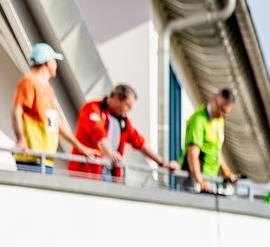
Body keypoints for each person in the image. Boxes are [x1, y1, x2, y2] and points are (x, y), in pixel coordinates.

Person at [11, 43, 95, 172]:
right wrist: (21, 139)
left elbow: (57, 123)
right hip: (31, 155)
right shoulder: (28, 81)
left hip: (46, 157)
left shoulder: (48, 88)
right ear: (47, 63)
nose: (56, 65)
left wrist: (80, 147)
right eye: (54, 61)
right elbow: (17, 111)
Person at [69, 84, 177, 182]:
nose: (128, 110)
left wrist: (163, 163)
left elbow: (139, 142)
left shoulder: (123, 122)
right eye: (128, 106)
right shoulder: (93, 109)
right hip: (86, 172)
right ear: (117, 99)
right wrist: (110, 154)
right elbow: (98, 133)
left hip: (109, 174)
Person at [179, 89, 237, 194]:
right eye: (220, 109)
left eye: (225, 112)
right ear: (213, 99)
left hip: (209, 179)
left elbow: (216, 150)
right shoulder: (199, 120)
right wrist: (199, 180)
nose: (221, 114)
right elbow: (192, 154)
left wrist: (226, 172)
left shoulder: (219, 121)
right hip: (194, 178)